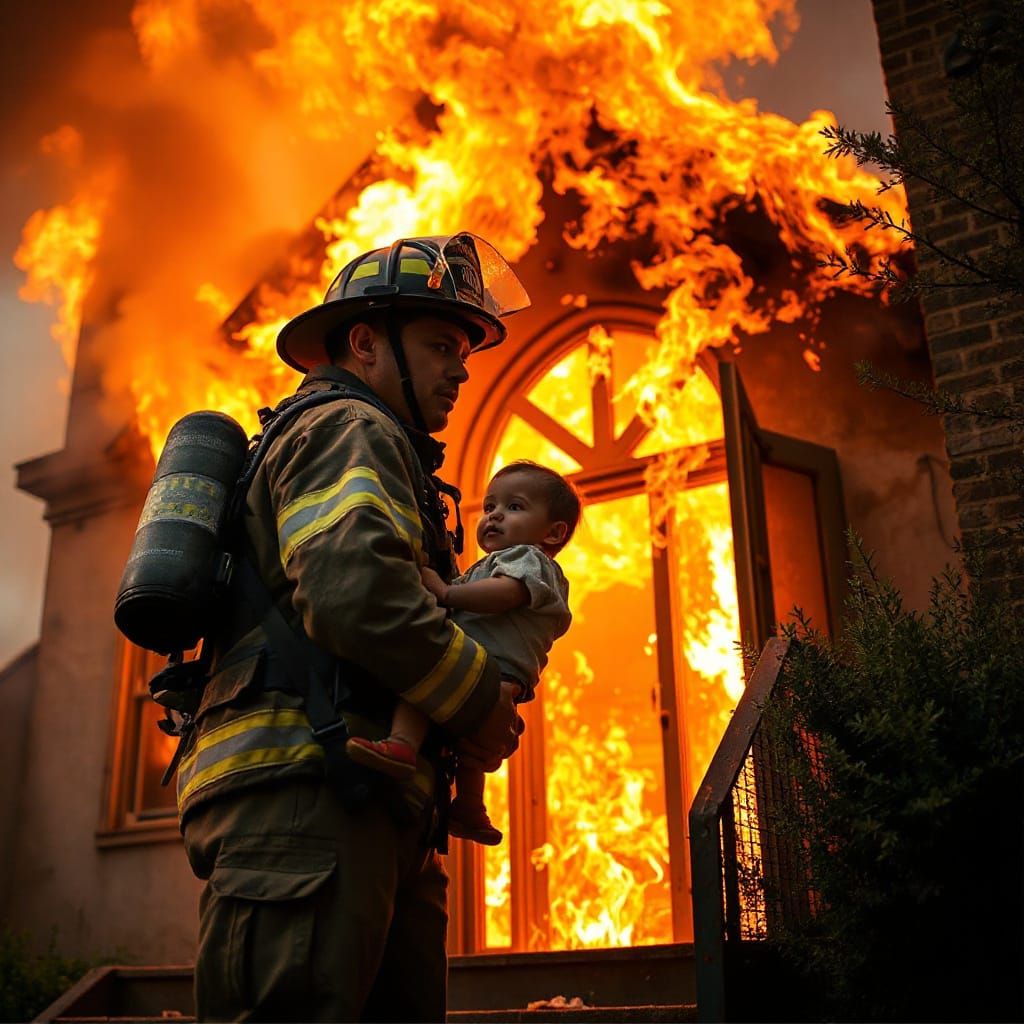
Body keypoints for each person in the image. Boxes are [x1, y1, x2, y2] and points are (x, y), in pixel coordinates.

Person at [176, 232, 531, 1022]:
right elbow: (355, 597)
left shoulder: (381, 446)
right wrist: (480, 701)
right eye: (441, 343)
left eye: (463, 349)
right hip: (308, 798)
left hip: (364, 799)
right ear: (366, 344)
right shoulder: (347, 427)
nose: (462, 366)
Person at [346, 460, 579, 845]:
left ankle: (402, 745)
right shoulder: (493, 564)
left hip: (492, 666)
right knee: (471, 747)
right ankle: (470, 806)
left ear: (553, 533)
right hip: (498, 672)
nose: (495, 516)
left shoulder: (528, 559)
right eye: (489, 507)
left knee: (423, 680)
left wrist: (446, 592)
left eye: (515, 507)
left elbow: (506, 594)